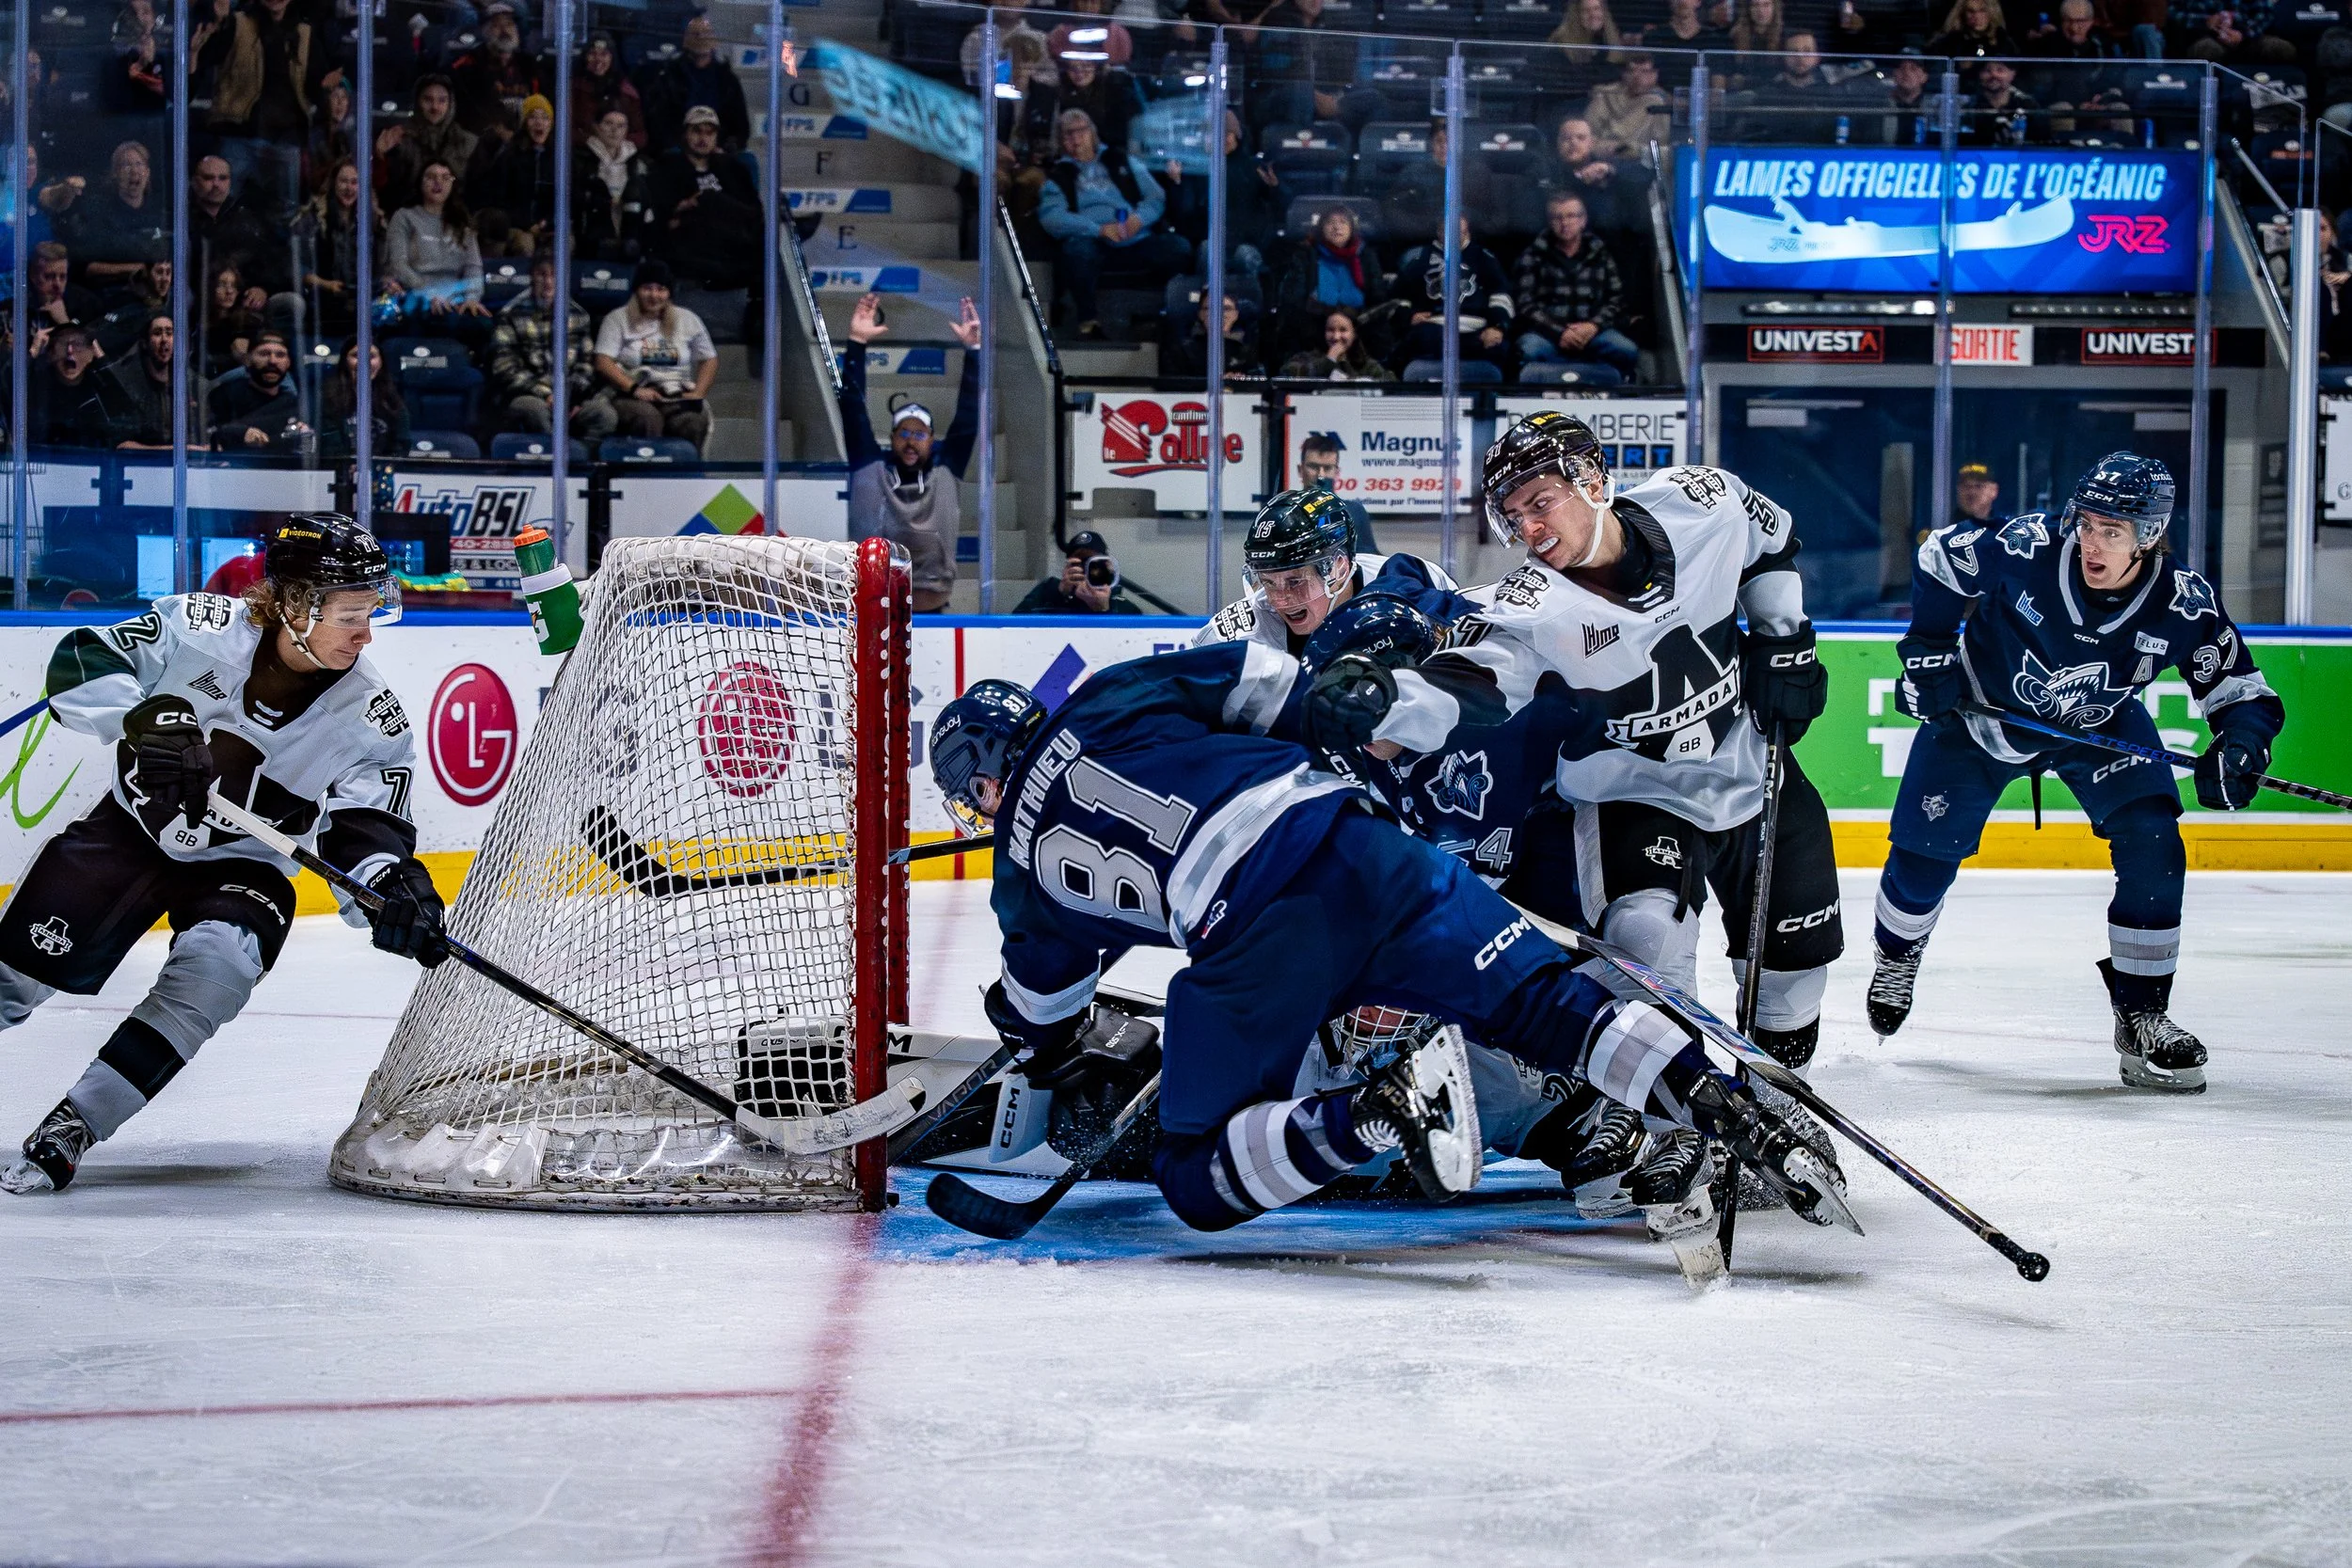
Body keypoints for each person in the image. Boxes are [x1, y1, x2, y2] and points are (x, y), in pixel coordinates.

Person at [925, 647, 1845, 1235]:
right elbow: (1273, 686)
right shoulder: (1111, 693)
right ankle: (1721, 1097)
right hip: (1366, 843)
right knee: (1548, 1001)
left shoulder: (1021, 873)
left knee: (1194, 1173)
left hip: (1251, 942)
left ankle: (1372, 1115)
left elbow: (1043, 1009)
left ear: (981, 777)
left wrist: (1049, 1051)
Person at [0, 516, 445, 1196]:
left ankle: (76, 1122)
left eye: (372, 611)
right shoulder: (201, 627)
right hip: (130, 834)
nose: (367, 633)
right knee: (16, 976)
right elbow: (80, 661)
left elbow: (368, 831)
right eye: (352, 614)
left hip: (246, 867)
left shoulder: (371, 715)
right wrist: (143, 717)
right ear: (295, 606)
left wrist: (392, 884)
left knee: (219, 966)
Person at [1399, 412, 1841, 1071]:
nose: (1530, 528)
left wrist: (1783, 635)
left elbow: (1768, 538)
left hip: (1753, 771)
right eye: (1513, 516)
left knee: (1794, 979)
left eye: (1541, 502)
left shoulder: (1703, 502)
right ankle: (1681, 1126)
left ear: (1593, 479)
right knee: (1647, 955)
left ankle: (1775, 1111)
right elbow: (1473, 677)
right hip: (1632, 796)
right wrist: (1383, 705)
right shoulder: (1528, 606)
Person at [1866, 455, 2285, 1091]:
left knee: (2153, 838)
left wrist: (2242, 743)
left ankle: (2143, 1011)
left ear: (2149, 536)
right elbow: (1941, 557)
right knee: (1924, 859)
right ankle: (1897, 955)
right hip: (1981, 715)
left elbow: (2241, 691)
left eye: (2111, 531)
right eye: (2087, 524)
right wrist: (1927, 651)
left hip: (2096, 725)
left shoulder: (2182, 602)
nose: (2091, 541)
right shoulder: (2028, 547)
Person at [1192, 486, 1471, 656]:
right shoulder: (1237, 635)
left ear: (1338, 568)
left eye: (1294, 581)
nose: (1279, 599)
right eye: (1268, 582)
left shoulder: (1413, 585)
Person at [838, 291, 982, 613]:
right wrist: (856, 342)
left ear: (932, 440)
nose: (911, 440)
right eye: (904, 432)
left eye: (920, 433)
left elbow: (969, 418)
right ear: (891, 437)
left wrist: (973, 352)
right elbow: (852, 409)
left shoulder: (946, 473)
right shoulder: (870, 469)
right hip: (874, 615)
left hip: (935, 614)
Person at [1037, 109, 1190, 340]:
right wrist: (1097, 229)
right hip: (1093, 241)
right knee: (1076, 251)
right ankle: (1088, 321)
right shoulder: (1059, 175)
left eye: (1081, 132)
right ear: (1061, 141)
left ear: (1092, 133)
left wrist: (1138, 219)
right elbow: (1052, 218)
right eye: (1068, 135)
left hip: (1135, 237)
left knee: (1178, 248)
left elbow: (1156, 197)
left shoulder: (1122, 160)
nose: (1076, 139)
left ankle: (1167, 315)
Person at [194, 0, 320, 220]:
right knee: (220, 208)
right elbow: (207, 57)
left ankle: (283, 254)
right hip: (238, 134)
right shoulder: (238, 23)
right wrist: (219, 22)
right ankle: (218, 253)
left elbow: (317, 82)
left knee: (286, 217)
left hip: (285, 138)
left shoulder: (304, 32)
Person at [1515, 192, 1639, 387]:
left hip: (1593, 333)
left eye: (1571, 216)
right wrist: (1560, 332)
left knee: (1626, 350)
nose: (1565, 223)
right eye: (1558, 217)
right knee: (1529, 349)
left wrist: (1592, 326)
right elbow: (1525, 304)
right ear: (1550, 222)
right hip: (1548, 335)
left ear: (1583, 220)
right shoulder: (1533, 255)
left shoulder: (1601, 253)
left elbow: (1616, 299)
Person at [593, 259, 716, 450]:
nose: (654, 295)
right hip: (630, 394)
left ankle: (686, 477)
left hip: (674, 394)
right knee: (648, 419)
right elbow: (603, 361)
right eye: (647, 288)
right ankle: (646, 477)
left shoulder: (687, 319)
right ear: (637, 290)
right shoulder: (617, 319)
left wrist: (699, 392)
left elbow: (709, 359)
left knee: (694, 421)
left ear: (669, 293)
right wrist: (634, 389)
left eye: (661, 289)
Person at [491, 251, 611, 443]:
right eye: (542, 274)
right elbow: (505, 368)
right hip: (530, 394)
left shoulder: (578, 315)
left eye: (554, 275)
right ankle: (548, 463)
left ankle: (578, 463)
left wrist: (572, 398)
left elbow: (586, 365)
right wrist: (546, 395)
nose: (548, 282)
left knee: (604, 415)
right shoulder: (511, 314)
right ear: (531, 277)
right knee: (534, 410)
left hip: (570, 396)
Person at [648, 104, 762, 290]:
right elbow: (661, 215)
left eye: (710, 133)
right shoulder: (667, 168)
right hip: (692, 240)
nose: (703, 139)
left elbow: (752, 207)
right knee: (708, 201)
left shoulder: (733, 169)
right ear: (685, 133)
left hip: (732, 238)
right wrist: (685, 206)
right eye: (697, 131)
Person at [1388, 217, 1515, 382]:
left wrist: (1497, 327)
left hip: (1476, 328)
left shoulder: (1484, 258)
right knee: (1415, 341)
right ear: (1439, 232)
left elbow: (1501, 295)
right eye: (1448, 231)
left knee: (1500, 349)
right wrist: (1409, 316)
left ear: (1467, 232)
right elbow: (1397, 297)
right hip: (1435, 326)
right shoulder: (1420, 259)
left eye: (1459, 231)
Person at [188, 154, 300, 337]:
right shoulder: (183, 218)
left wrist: (263, 288)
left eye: (222, 178)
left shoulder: (248, 218)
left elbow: (273, 261)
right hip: (199, 296)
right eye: (209, 178)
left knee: (291, 302)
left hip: (244, 297)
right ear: (194, 181)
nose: (216, 184)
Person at [1269, 207, 1384, 366]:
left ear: (1352, 229)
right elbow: (1293, 301)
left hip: (1360, 331)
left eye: (1343, 222)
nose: (1337, 227)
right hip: (1313, 331)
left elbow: (1378, 298)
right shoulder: (1306, 256)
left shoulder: (1367, 257)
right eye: (1330, 223)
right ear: (1321, 229)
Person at [383, 159, 489, 325]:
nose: (438, 182)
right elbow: (399, 266)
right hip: (417, 295)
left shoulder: (462, 222)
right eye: (431, 177)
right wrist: (429, 292)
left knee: (483, 325)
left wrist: (472, 298)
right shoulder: (404, 217)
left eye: (445, 178)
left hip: (455, 299)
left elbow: (473, 268)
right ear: (420, 182)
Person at [292, 157, 380, 340]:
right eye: (344, 181)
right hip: (321, 297)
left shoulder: (374, 220)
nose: (349, 188)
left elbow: (382, 266)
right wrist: (327, 285)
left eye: (355, 182)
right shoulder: (312, 218)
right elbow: (298, 267)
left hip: (362, 299)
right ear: (333, 183)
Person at [60, 141, 167, 292]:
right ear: (115, 173)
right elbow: (87, 268)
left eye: (139, 164)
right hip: (112, 293)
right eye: (126, 165)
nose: (134, 171)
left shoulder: (159, 215)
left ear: (148, 172)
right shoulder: (98, 214)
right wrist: (136, 269)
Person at [643, 12, 752, 154]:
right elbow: (660, 125)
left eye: (706, 33)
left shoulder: (728, 79)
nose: (701, 37)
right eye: (695, 34)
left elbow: (740, 128)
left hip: (718, 149)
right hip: (681, 150)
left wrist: (723, 148)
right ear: (685, 40)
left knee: (748, 162)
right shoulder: (668, 76)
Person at [469, 92, 561, 255]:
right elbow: (499, 200)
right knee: (524, 245)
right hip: (516, 225)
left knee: (563, 243)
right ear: (524, 123)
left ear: (551, 124)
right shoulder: (510, 156)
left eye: (545, 118)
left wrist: (547, 223)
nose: (539, 123)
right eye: (533, 117)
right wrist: (527, 224)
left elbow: (566, 199)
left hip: (548, 226)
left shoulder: (559, 158)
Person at [375, 75, 479, 214]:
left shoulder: (468, 143)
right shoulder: (399, 139)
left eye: (442, 100)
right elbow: (389, 192)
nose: (435, 107)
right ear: (417, 102)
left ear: (451, 104)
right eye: (428, 100)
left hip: (456, 219)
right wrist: (380, 156)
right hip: (408, 218)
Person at [447, 0, 545, 139]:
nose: (505, 30)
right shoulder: (468, 65)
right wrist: (500, 132)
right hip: (483, 143)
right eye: (497, 25)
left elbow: (542, 103)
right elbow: (468, 112)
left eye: (509, 24)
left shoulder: (529, 64)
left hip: (526, 140)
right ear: (484, 31)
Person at [1541, 117, 1653, 236]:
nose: (1573, 142)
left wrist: (1611, 171)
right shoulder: (1545, 173)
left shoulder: (1611, 167)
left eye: (1581, 138)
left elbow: (1647, 177)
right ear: (1557, 144)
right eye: (1566, 138)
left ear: (1591, 143)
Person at [205, 330, 309, 451]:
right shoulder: (224, 396)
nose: (272, 361)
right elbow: (208, 435)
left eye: (280, 355)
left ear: (288, 363)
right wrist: (239, 433)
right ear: (248, 359)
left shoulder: (293, 404)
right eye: (264, 354)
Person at [578, 107, 653, 262]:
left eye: (621, 126)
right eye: (608, 124)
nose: (614, 130)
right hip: (594, 228)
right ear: (597, 127)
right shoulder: (581, 159)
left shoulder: (638, 162)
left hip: (629, 226)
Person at [94, 309, 177, 449]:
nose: (164, 340)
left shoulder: (189, 384)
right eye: (157, 333)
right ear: (144, 343)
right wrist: (174, 451)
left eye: (169, 333)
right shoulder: (127, 385)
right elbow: (123, 444)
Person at [318, 340, 409, 461]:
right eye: (356, 356)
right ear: (345, 361)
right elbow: (328, 445)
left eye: (371, 356)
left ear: (381, 362)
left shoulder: (393, 401)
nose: (364, 362)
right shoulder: (327, 398)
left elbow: (401, 445)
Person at [1013, 531, 1146, 614]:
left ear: (1107, 565)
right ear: (1068, 565)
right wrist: (1059, 595)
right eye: (1080, 562)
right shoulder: (1047, 591)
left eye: (1094, 563)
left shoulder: (1122, 606)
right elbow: (1017, 626)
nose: (1088, 569)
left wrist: (1104, 610)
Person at [30, 324, 115, 449]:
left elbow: (123, 397)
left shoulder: (100, 387)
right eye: (62, 344)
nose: (70, 351)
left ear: (91, 355)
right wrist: (33, 351)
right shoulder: (37, 387)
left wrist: (101, 358)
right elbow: (7, 388)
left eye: (79, 344)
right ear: (51, 354)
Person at [1583, 54, 1670, 164]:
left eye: (1644, 72)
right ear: (1623, 74)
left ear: (1655, 75)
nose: (1637, 76)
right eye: (1631, 71)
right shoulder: (1605, 95)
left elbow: (1662, 144)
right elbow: (1586, 133)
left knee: (1653, 101)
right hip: (1600, 154)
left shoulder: (1660, 101)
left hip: (1640, 160)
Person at [1277, 306, 1394, 384]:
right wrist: (1329, 361)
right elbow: (1288, 373)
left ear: (1354, 334)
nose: (1336, 336)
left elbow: (1391, 382)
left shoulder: (1366, 364)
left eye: (1343, 330)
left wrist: (1359, 381)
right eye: (1330, 330)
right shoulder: (1307, 357)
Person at [1159, 293, 1263, 379]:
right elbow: (1172, 386)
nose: (1219, 314)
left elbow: (1259, 382)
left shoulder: (1248, 350)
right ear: (1201, 314)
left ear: (1236, 315)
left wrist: (1237, 381)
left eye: (1226, 309)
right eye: (1210, 308)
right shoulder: (1181, 350)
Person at [572, 31, 647, 146]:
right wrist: (590, 140)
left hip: (619, 155)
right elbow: (564, 130)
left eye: (604, 54)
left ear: (612, 58)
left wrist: (618, 142)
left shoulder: (626, 93)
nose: (598, 60)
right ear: (585, 57)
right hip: (581, 154)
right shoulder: (573, 89)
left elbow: (640, 135)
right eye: (592, 54)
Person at [2173, 0, 2297, 64]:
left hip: (2246, 35)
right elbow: (2174, 14)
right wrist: (2206, 21)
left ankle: (2274, 104)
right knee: (2207, 49)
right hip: (2206, 35)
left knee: (2281, 49)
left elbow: (2266, 14)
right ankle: (2211, 105)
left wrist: (2244, 33)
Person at [26, 243, 104, 337]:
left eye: (63, 277)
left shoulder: (88, 304)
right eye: (49, 277)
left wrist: (63, 322)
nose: (58, 284)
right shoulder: (17, 308)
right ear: (33, 276)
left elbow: (90, 348)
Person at [1961, 58, 2042, 145]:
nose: (1993, 75)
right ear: (1980, 75)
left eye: (2000, 70)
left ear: (2012, 74)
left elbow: (2040, 142)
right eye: (1987, 71)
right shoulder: (1970, 107)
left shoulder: (2028, 104)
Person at [1928, 0, 2017, 59]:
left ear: (1992, 13)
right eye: (1971, 11)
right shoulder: (1948, 42)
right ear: (1962, 14)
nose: (1976, 17)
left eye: (1982, 11)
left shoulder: (2004, 41)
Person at [1952, 460, 2006, 531]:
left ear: (1994, 491)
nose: (1972, 492)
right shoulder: (1940, 532)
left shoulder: (2005, 532)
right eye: (1966, 486)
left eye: (1978, 486)